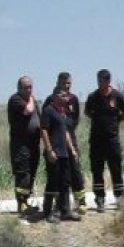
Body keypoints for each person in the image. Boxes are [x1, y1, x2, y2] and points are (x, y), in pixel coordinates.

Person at [84, 69, 124, 212]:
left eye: (102, 81)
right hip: (96, 140)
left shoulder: (117, 96)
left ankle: (120, 198)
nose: (99, 83)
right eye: (98, 80)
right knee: (97, 170)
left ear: (108, 81)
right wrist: (98, 120)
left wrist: (116, 121)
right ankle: (99, 199)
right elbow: (87, 112)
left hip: (112, 140)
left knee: (116, 169)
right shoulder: (93, 96)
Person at [43, 72, 88, 215]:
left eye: (68, 83)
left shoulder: (73, 100)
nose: (66, 86)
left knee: (73, 172)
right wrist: (50, 148)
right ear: (58, 83)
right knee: (55, 177)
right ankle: (54, 208)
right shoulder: (49, 103)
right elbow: (44, 127)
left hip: (68, 140)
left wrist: (71, 145)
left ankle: (78, 202)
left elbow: (75, 120)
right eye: (64, 83)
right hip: (56, 143)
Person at [39, 88, 79, 223]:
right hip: (54, 153)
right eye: (63, 95)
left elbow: (66, 132)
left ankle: (65, 210)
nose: (66, 98)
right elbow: (43, 130)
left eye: (67, 96)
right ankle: (48, 212)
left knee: (65, 182)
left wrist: (72, 149)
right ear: (55, 96)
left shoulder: (63, 113)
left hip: (64, 153)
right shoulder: (48, 111)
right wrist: (49, 150)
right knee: (53, 182)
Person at [6, 75, 42, 217]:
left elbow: (39, 118)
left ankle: (26, 203)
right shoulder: (16, 100)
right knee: (23, 174)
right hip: (21, 145)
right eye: (26, 87)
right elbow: (28, 110)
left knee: (31, 173)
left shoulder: (33, 102)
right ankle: (21, 204)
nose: (29, 90)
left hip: (34, 144)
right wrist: (31, 98)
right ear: (19, 88)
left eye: (30, 87)